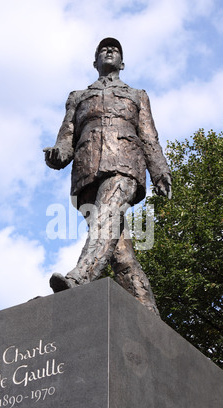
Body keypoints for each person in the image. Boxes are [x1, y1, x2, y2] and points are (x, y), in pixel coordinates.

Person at [44, 38, 172, 316]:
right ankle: (149, 315)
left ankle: (80, 277)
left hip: (125, 165)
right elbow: (66, 139)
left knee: (108, 215)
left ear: (122, 63)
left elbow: (149, 137)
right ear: (95, 62)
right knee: (120, 254)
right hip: (87, 173)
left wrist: (160, 170)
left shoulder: (137, 95)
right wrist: (56, 155)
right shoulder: (77, 97)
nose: (109, 51)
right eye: (103, 49)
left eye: (114, 49)